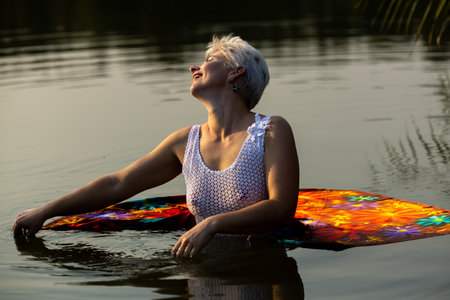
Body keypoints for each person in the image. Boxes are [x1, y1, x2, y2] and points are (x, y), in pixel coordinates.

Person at [13, 35, 300, 258]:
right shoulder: (184, 142)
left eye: (210, 59)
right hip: (201, 269)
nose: (194, 67)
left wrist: (213, 224)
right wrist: (45, 211)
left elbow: (281, 208)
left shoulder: (270, 131)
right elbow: (117, 183)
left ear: (235, 72)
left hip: (260, 262)